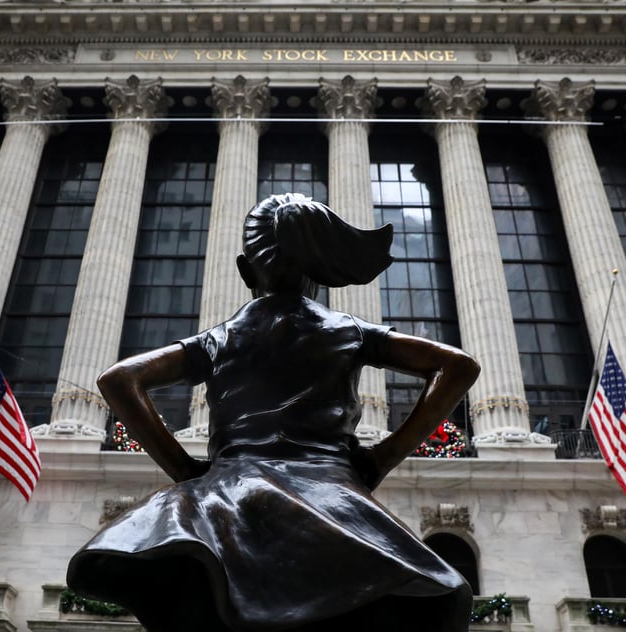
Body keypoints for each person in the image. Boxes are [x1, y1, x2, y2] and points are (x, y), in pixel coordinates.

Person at [67, 193, 481, 632]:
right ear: (319, 274)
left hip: (227, 495)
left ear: (247, 271)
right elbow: (457, 365)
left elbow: (119, 379)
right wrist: (384, 456)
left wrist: (186, 470)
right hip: (329, 493)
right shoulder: (349, 331)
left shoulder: (220, 338)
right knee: (434, 593)